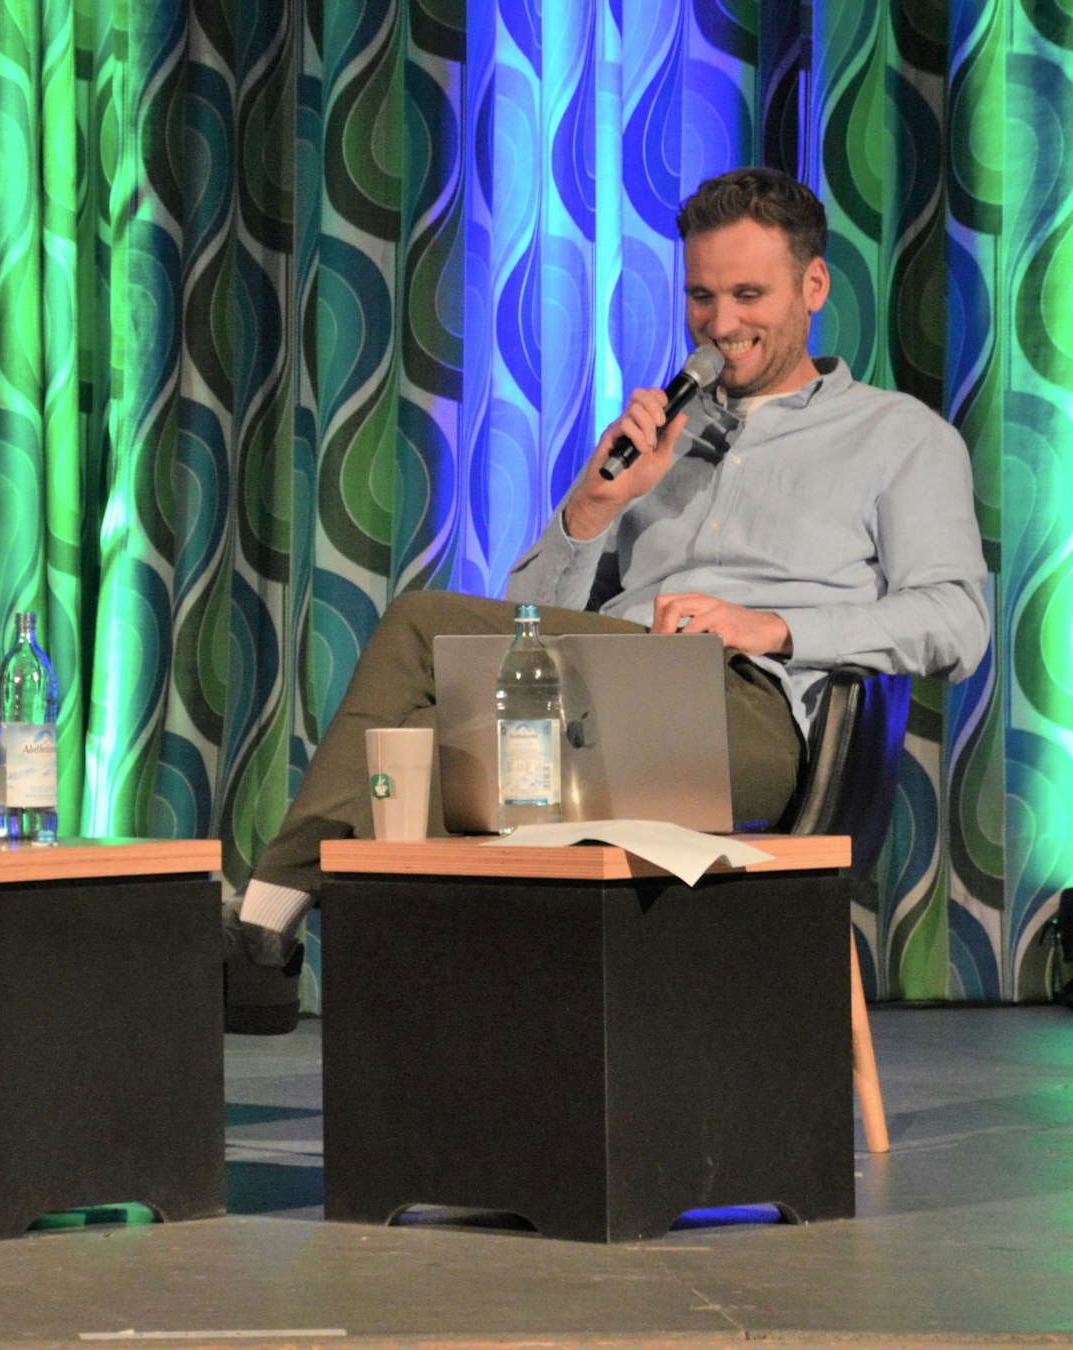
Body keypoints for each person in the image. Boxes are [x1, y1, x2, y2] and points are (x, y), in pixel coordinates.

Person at [229, 166, 990, 973]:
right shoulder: (660, 439)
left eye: (747, 296)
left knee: (419, 634)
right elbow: (518, 627)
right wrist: (589, 509)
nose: (720, 324)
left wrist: (770, 627)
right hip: (603, 699)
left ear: (812, 285)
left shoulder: (898, 436)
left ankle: (261, 929)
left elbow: (957, 624)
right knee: (415, 740)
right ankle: (301, 963)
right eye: (701, 298)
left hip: (752, 717)